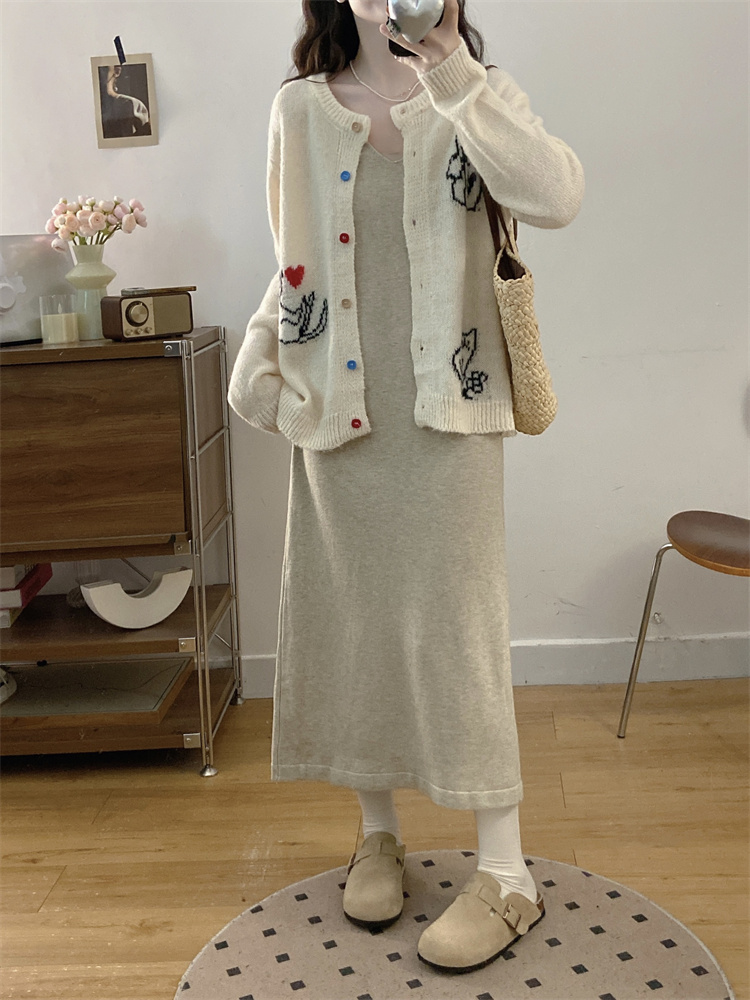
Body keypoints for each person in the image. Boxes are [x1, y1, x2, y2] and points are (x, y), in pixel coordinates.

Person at [228, 0, 584, 974]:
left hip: (449, 415)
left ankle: (505, 871)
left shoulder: (473, 93)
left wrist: (454, 74)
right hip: (339, 412)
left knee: (459, 632)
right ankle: (377, 831)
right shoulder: (299, 108)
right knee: (355, 622)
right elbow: (294, 259)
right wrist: (263, 364)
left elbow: (556, 195)